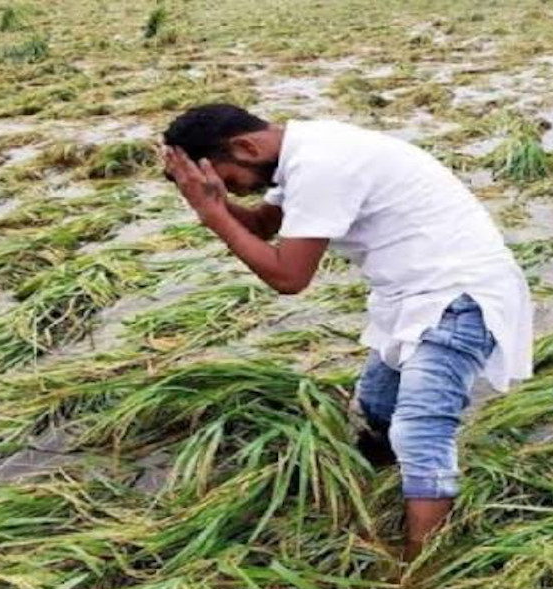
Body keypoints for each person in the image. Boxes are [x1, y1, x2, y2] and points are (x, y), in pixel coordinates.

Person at [162, 103, 534, 561]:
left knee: (419, 431)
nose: (236, 189)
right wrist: (209, 202)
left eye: (229, 179)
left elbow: (288, 278)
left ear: (244, 147)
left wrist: (213, 214)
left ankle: (419, 566)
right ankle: (380, 489)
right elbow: (263, 224)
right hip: (412, 294)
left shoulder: (322, 165)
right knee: (378, 407)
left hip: (459, 296)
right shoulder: (305, 151)